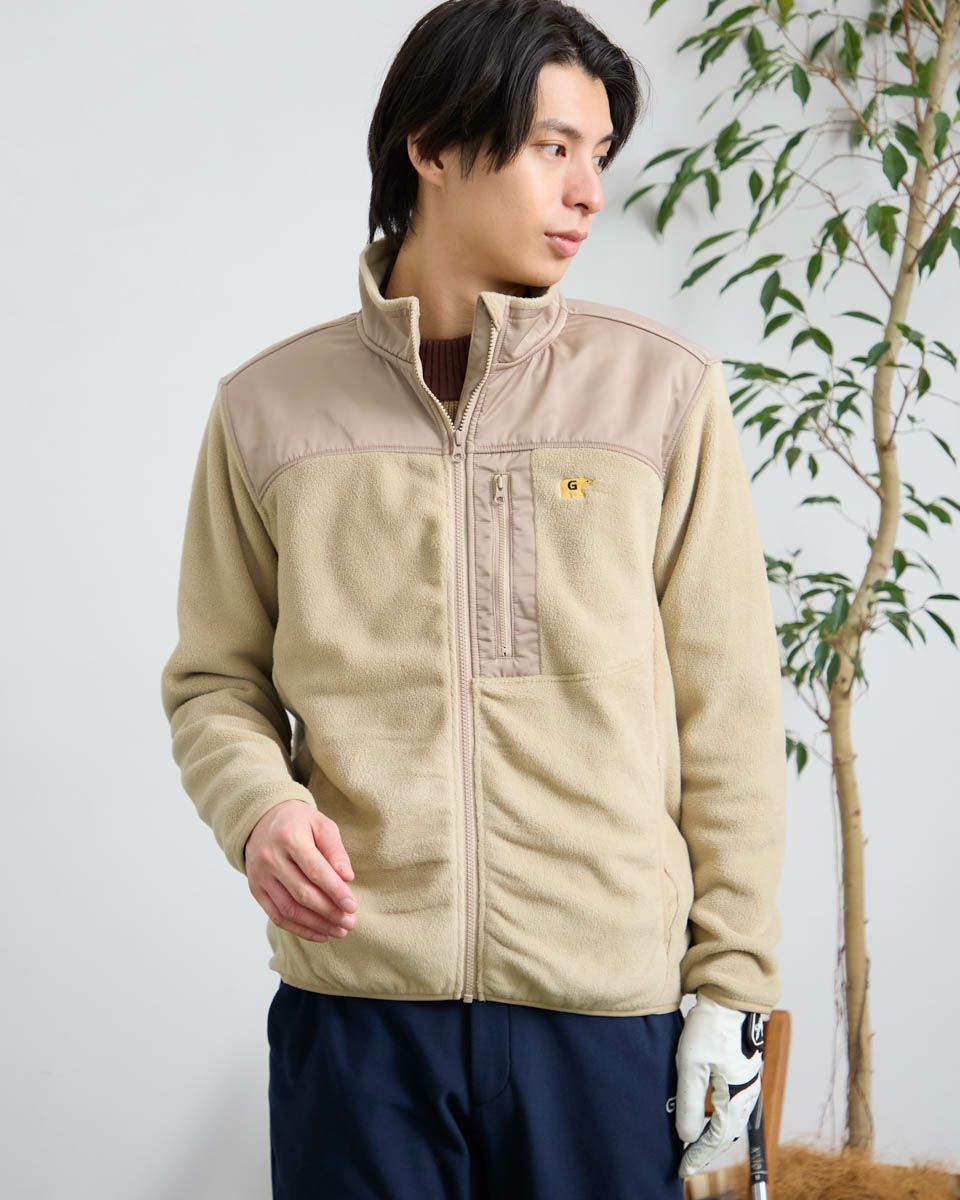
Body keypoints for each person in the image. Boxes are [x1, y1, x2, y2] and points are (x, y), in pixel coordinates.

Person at [160, 1, 786, 1196]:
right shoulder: (268, 409)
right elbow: (213, 682)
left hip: (605, 1015)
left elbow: (732, 713)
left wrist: (733, 984)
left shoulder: (661, 395)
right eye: (554, 148)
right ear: (434, 146)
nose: (589, 193)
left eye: (599, 154)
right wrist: (258, 808)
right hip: (358, 1010)